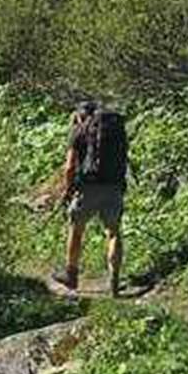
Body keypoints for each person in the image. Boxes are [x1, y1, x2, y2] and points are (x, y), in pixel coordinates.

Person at [53, 100, 128, 297]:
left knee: (76, 230)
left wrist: (67, 191)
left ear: (80, 115)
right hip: (114, 185)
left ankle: (71, 275)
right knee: (113, 232)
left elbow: (69, 167)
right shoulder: (114, 130)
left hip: (88, 187)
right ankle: (114, 279)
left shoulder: (79, 131)